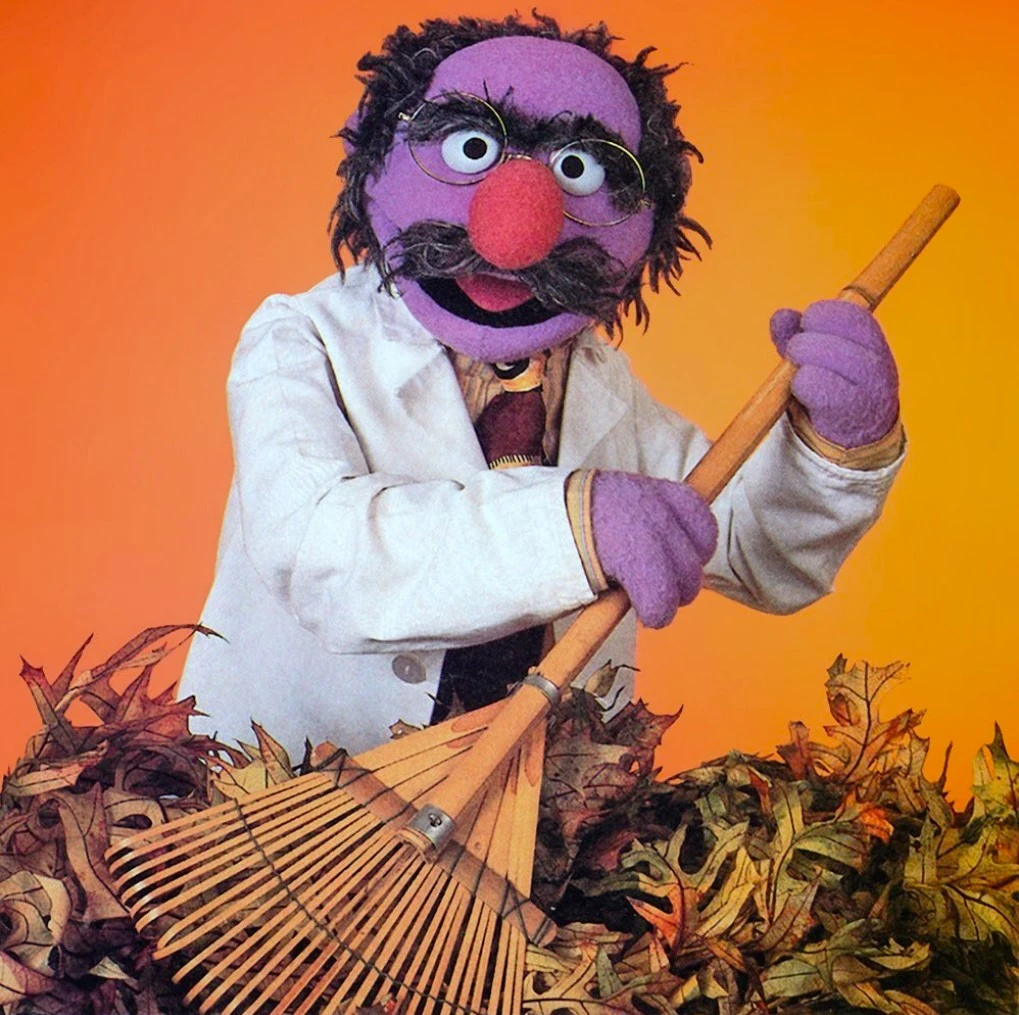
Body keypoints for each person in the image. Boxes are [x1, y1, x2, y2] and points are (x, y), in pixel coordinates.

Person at [179, 15, 904, 760]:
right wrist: (572, 526)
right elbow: (318, 552)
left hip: (540, 809)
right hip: (289, 796)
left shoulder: (600, 386)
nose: (516, 231)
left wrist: (835, 450)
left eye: (577, 170)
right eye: (471, 149)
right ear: (374, 160)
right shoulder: (301, 339)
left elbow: (751, 549)